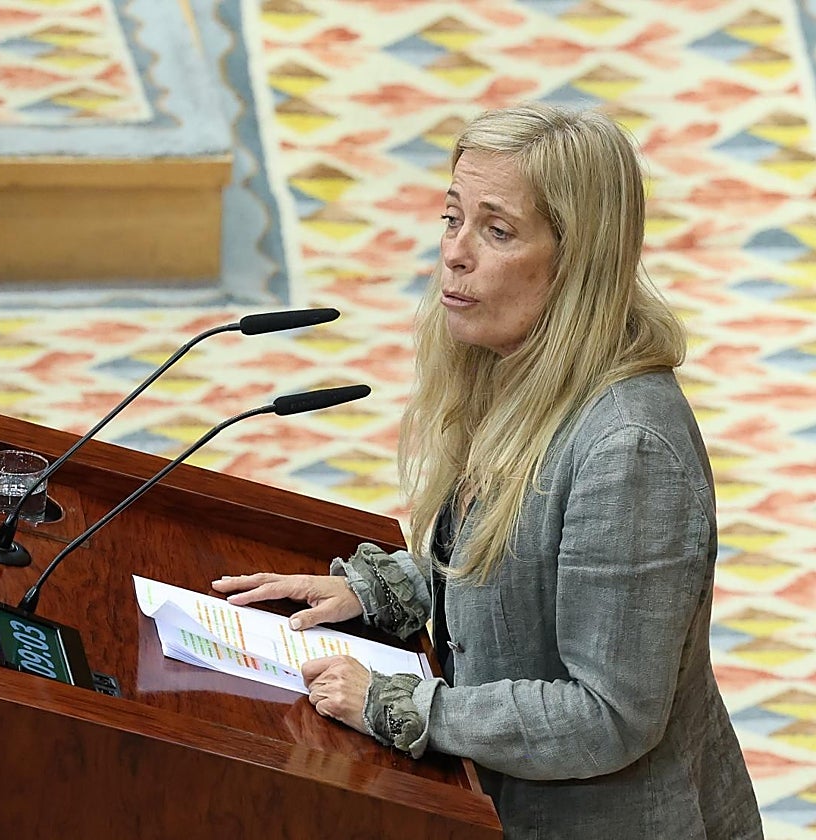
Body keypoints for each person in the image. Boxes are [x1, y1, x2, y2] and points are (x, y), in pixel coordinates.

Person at [213, 103, 763, 839]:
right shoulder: (510, 365)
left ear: (578, 261)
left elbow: (609, 717)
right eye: (452, 218)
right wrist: (383, 591)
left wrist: (401, 702)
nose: (455, 253)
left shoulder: (630, 450)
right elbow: (525, 575)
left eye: (497, 231)